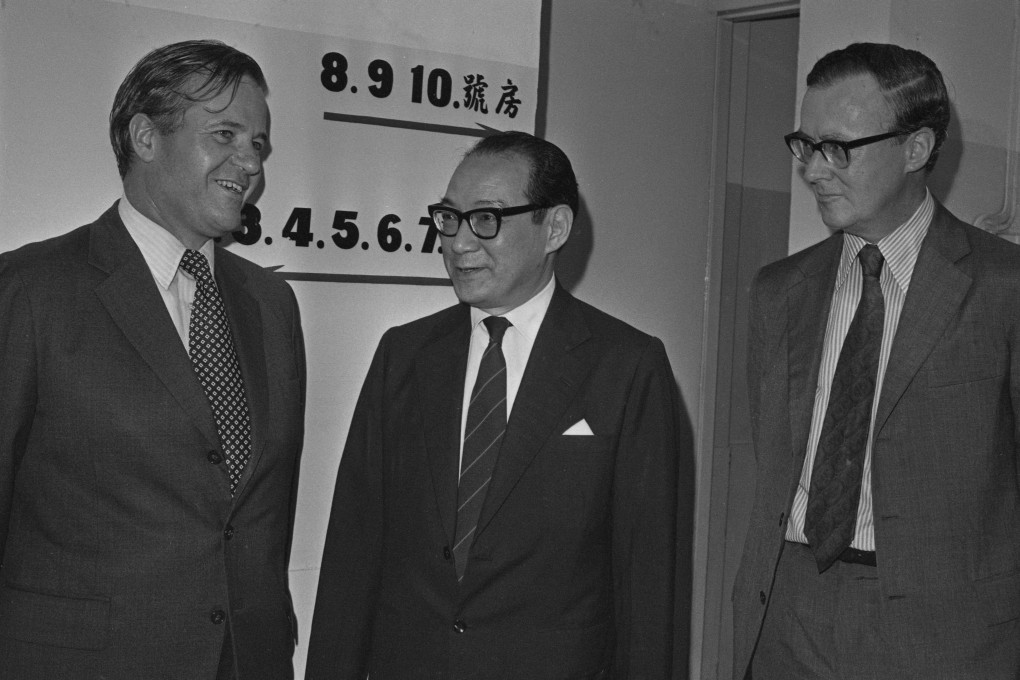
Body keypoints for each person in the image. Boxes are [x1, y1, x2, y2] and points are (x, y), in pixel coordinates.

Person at [306, 131, 681, 679]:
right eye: (449, 218)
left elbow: (645, 582)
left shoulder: (625, 366)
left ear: (555, 228)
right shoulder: (404, 355)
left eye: (486, 218)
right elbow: (353, 551)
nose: (458, 243)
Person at [0, 40, 306, 679]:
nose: (250, 162)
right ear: (145, 137)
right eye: (225, 134)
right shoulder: (31, 290)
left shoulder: (271, 304)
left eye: (258, 143)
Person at [733, 42, 1020, 679]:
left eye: (838, 148)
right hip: (787, 613)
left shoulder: (1004, 286)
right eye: (805, 145)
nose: (813, 170)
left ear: (916, 148)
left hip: (948, 633)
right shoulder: (779, 290)